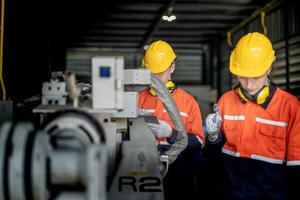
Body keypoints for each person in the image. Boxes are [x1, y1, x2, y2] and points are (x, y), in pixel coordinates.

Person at [205, 32, 300, 200]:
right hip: (227, 194)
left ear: (269, 67)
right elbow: (213, 160)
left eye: (255, 77)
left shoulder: (291, 107)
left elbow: (296, 168)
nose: (248, 84)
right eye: (242, 76)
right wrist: (213, 138)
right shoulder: (225, 101)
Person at [138, 40, 205, 200]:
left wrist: (171, 133)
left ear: (172, 68)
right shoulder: (136, 99)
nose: (155, 80)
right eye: (151, 74)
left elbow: (197, 144)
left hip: (178, 176)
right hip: (142, 171)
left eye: (159, 74)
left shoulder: (188, 101)